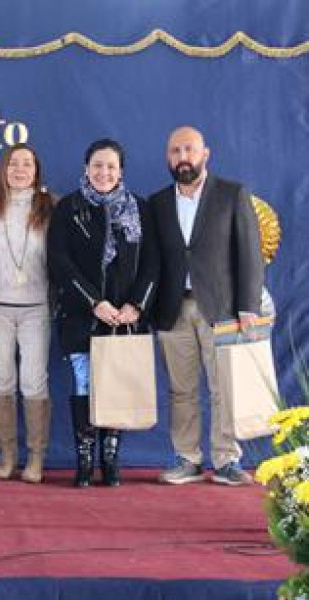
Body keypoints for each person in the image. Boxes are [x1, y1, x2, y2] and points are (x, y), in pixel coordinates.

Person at [150, 126, 264, 486]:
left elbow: (250, 254)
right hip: (172, 309)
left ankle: (227, 459)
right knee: (181, 390)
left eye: (188, 149)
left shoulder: (232, 194)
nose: (182, 157)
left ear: (205, 154)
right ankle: (187, 459)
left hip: (223, 309)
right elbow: (153, 262)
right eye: (174, 151)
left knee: (223, 387)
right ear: (168, 158)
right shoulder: (157, 203)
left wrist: (248, 306)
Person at [47, 139, 158, 487]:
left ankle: (110, 458)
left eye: (111, 166)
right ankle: (83, 458)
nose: (104, 172)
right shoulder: (68, 208)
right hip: (82, 314)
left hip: (125, 318)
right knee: (84, 382)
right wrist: (95, 302)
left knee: (116, 385)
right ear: (86, 168)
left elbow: (153, 264)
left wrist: (135, 305)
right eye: (97, 165)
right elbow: (59, 263)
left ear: (121, 171)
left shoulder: (139, 209)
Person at [0, 143, 53, 483]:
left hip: (37, 308)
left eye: (27, 164)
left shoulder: (52, 207)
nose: (20, 170)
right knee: (1, 380)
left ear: (36, 172)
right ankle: (6, 455)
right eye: (14, 164)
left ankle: (36, 458)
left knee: (33, 382)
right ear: (3, 169)